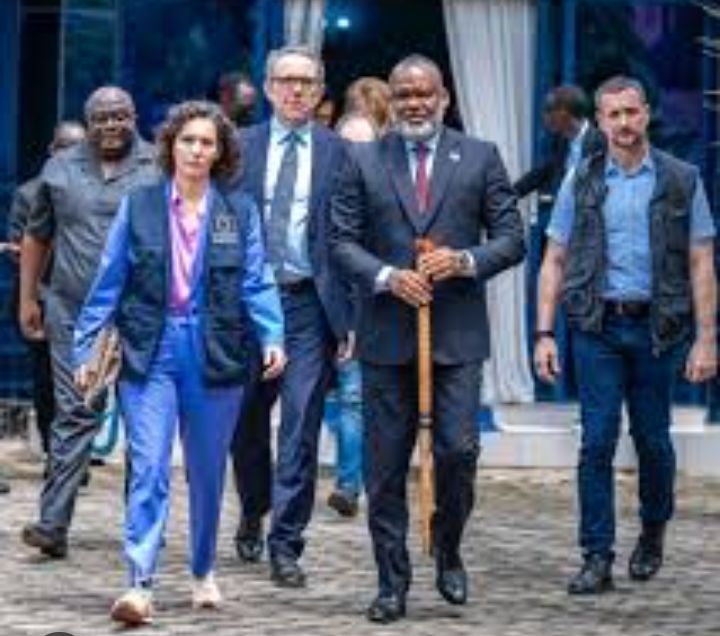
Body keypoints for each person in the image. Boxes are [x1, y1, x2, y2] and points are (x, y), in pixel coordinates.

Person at [73, 100, 286, 625]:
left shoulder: (239, 211)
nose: (195, 150)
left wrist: (273, 335)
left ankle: (202, 569)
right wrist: (85, 346)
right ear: (170, 146)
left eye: (206, 142)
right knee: (148, 467)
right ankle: (139, 584)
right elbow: (109, 279)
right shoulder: (140, 206)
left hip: (216, 351)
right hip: (150, 349)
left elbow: (257, 280)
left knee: (208, 473)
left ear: (219, 153)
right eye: (187, 140)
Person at [331, 54, 525, 623]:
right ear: (391, 100)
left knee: (459, 451)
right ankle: (391, 583)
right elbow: (339, 241)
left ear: (444, 98)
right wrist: (388, 276)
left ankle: (448, 545)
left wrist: (464, 261)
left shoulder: (481, 156)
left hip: (457, 337)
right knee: (384, 466)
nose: (415, 103)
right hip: (386, 336)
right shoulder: (363, 159)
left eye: (425, 94)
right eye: (404, 94)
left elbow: (512, 238)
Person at [534, 75, 717, 595]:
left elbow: (701, 260)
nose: (623, 123)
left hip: (659, 328)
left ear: (647, 113)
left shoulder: (681, 178)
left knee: (653, 440)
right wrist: (544, 333)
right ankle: (596, 556)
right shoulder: (582, 179)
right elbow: (554, 259)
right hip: (597, 327)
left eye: (631, 112)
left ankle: (653, 531)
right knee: (596, 440)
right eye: (613, 114)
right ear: (601, 119)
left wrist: (707, 338)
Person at [18, 87, 158, 559]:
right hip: (74, 313)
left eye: (120, 115)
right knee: (75, 413)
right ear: (88, 120)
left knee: (143, 420)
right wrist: (28, 299)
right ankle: (52, 524)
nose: (112, 124)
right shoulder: (59, 169)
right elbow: (37, 236)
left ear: (134, 116)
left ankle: (142, 529)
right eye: (102, 117)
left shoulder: (159, 166)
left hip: (141, 314)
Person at [229, 44, 350, 586]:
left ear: (320, 91)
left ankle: (286, 544)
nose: (296, 90)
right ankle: (254, 507)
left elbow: (353, 236)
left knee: (300, 425)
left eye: (307, 81)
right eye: (286, 80)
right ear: (269, 88)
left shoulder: (342, 154)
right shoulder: (237, 147)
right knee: (245, 423)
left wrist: (349, 319)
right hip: (247, 306)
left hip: (308, 306)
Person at [4, 121, 87, 462]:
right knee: (47, 379)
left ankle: (77, 451)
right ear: (52, 151)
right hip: (42, 299)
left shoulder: (94, 191)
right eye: (66, 148)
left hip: (84, 301)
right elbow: (18, 248)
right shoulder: (28, 193)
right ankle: (56, 453)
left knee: (84, 379)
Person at [323, 111, 378, 518]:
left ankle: (357, 484)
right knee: (350, 398)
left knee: (359, 399)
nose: (357, 153)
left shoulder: (388, 194)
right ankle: (348, 484)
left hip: (377, 312)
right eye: (349, 145)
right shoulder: (323, 192)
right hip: (330, 309)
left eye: (365, 145)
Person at [514, 84, 605, 199]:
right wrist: (509, 194)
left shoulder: (601, 142)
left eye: (548, 110)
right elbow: (544, 173)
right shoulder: (562, 143)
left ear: (564, 112)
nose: (544, 116)